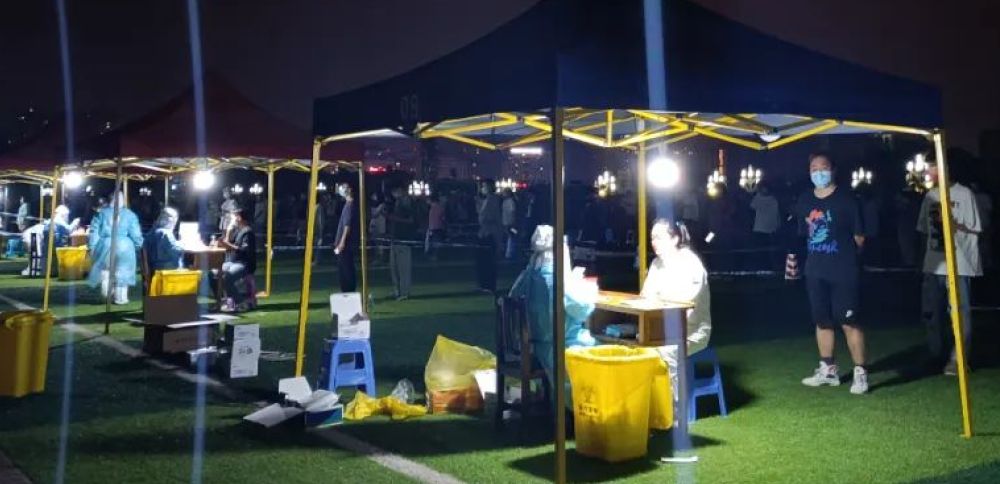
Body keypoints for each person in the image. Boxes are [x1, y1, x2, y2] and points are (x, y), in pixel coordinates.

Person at [795, 153, 868, 394]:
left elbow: (859, 237)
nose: (818, 172)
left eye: (823, 167)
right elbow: (805, 233)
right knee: (822, 320)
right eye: (813, 168)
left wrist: (846, 258)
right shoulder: (805, 200)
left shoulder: (847, 200)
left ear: (833, 170)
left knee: (849, 321)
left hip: (843, 271)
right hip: (815, 271)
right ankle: (828, 370)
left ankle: (860, 373)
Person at [509, 225, 597, 406]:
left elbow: (513, 296)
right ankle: (582, 408)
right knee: (603, 346)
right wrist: (588, 292)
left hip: (533, 344)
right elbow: (581, 308)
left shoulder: (530, 273)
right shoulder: (558, 278)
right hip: (560, 343)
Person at [918, 161, 981, 375]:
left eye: (932, 167)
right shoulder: (930, 196)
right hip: (934, 264)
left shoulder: (965, 194)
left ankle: (959, 358)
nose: (929, 172)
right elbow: (923, 230)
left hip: (959, 264)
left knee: (959, 313)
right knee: (932, 313)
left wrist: (954, 225)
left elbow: (975, 228)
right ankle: (935, 354)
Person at [640, 219, 711, 388]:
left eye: (659, 237)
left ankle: (673, 402)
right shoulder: (656, 264)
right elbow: (645, 296)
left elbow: (686, 306)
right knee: (633, 348)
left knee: (667, 352)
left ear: (674, 239)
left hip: (692, 331)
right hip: (659, 329)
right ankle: (648, 397)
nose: (654, 242)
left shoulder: (691, 264)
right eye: (652, 238)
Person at [87, 192, 144, 305]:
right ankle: (120, 298)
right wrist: (139, 246)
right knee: (123, 272)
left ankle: (107, 295)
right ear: (123, 199)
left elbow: (94, 232)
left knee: (105, 271)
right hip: (125, 246)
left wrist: (92, 247)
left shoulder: (100, 214)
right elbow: (136, 234)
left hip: (105, 245)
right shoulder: (130, 215)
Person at [216, 208, 257, 312]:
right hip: (233, 262)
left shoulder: (248, 232)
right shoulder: (238, 231)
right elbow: (228, 242)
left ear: (240, 218)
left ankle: (240, 302)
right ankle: (223, 301)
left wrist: (227, 244)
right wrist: (228, 230)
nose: (232, 219)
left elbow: (243, 250)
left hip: (244, 263)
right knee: (213, 273)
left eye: (234, 217)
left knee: (227, 277)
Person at [387, 186, 416, 300]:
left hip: (404, 240)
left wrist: (395, 219)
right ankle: (397, 291)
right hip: (395, 240)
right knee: (394, 268)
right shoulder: (396, 205)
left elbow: (412, 220)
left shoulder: (407, 205)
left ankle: (404, 292)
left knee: (403, 269)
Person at [476, 179, 502, 292]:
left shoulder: (492, 200)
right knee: (484, 261)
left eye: (484, 186)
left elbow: (486, 217)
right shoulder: (487, 200)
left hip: (489, 234)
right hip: (485, 233)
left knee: (488, 261)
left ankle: (488, 285)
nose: (482, 188)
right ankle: (485, 284)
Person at [332, 183, 358, 292]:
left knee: (345, 269)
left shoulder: (349, 206)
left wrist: (342, 242)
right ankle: (348, 290)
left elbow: (347, 225)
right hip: (346, 244)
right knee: (346, 267)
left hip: (345, 245)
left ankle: (348, 291)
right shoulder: (349, 205)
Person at [143, 207, 185, 271]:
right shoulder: (165, 233)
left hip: (154, 268)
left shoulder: (152, 232)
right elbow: (175, 250)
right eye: (174, 220)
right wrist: (183, 242)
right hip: (167, 271)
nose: (175, 224)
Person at [750, 184, 780, 269]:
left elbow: (777, 215)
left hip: (768, 230)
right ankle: (764, 267)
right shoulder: (771, 199)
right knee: (762, 251)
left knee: (766, 251)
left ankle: (766, 267)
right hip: (762, 229)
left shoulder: (771, 200)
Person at [425, 192, 447, 259]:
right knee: (436, 243)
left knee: (435, 243)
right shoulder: (439, 207)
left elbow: (442, 218)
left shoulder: (435, 208)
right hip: (437, 227)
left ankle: (435, 256)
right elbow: (443, 218)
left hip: (435, 228)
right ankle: (434, 256)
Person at [501, 189, 517, 259]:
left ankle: (509, 253)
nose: (503, 194)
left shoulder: (510, 201)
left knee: (511, 236)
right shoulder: (505, 201)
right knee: (509, 236)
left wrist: (513, 221)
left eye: (504, 193)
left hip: (510, 222)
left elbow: (513, 211)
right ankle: (508, 252)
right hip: (506, 222)